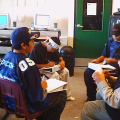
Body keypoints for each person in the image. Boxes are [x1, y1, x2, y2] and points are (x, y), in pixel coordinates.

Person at [0, 27, 67, 120]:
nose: (34, 43)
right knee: (61, 95)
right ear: (23, 45)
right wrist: (42, 86)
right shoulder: (30, 66)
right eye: (32, 41)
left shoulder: (6, 57)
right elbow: (37, 97)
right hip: (27, 107)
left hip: (10, 103)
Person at [29, 37, 75, 101]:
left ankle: (67, 96)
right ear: (49, 43)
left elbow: (58, 55)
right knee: (55, 75)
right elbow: (32, 65)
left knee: (65, 71)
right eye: (52, 49)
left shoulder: (51, 48)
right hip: (39, 70)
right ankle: (57, 98)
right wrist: (46, 65)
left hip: (48, 68)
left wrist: (61, 61)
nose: (53, 51)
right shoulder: (36, 48)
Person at [81, 46, 120, 120]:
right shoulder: (110, 41)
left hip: (117, 112)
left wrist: (101, 82)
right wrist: (109, 78)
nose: (118, 62)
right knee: (99, 92)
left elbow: (115, 101)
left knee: (88, 107)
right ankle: (92, 97)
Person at [84, 23, 120, 101]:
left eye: (117, 35)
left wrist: (114, 60)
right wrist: (97, 60)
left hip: (117, 68)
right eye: (114, 35)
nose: (115, 37)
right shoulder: (110, 41)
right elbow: (104, 55)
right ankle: (91, 96)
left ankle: (109, 95)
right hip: (107, 65)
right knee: (88, 72)